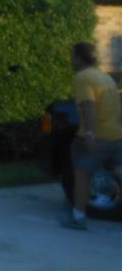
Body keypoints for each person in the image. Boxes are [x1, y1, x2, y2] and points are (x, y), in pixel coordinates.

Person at [59, 42, 122, 230]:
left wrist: (90, 132)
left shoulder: (83, 78)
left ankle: (78, 218)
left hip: (98, 135)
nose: (71, 59)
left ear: (79, 58)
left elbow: (88, 105)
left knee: (82, 175)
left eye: (73, 55)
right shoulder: (106, 77)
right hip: (116, 134)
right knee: (118, 171)